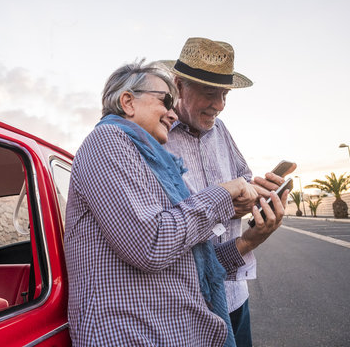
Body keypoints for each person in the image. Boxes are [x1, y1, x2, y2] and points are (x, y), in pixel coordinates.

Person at [64, 60, 285, 346]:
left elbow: (193, 262)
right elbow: (151, 244)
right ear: (128, 102)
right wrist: (223, 193)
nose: (172, 112)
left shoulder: (154, 160)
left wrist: (250, 239)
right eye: (167, 101)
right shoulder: (108, 140)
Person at [164, 37, 293, 347]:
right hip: (189, 303)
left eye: (224, 94)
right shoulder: (158, 135)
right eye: (210, 92)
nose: (219, 105)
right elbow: (164, 226)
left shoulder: (221, 130)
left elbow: (243, 178)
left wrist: (258, 193)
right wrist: (224, 204)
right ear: (179, 85)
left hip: (234, 295)